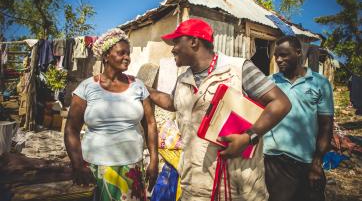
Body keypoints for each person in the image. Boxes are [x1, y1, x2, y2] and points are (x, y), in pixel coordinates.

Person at [147, 18, 291, 200]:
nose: (173, 48)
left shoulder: (238, 69)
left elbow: (280, 103)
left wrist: (249, 137)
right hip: (195, 187)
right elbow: (172, 102)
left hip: (238, 188)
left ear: (193, 41)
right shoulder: (183, 79)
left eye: (176, 42)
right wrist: (145, 89)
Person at [64, 29, 158, 201]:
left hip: (131, 167)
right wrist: (77, 164)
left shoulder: (138, 86)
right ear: (106, 56)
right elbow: (71, 129)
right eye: (121, 53)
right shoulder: (87, 88)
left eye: (128, 53)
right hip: (95, 167)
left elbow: (150, 123)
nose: (127, 57)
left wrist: (154, 159)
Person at [263, 36, 334, 201]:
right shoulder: (269, 83)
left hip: (306, 160)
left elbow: (326, 126)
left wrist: (317, 164)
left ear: (298, 53)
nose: (279, 60)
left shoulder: (319, 83)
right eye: (276, 56)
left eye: (284, 55)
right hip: (274, 161)